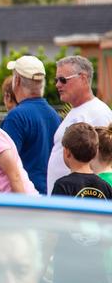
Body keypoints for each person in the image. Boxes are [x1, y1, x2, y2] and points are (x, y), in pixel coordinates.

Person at [46, 55, 112, 195]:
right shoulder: (77, 110)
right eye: (56, 80)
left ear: (83, 78)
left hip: (81, 202)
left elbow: (104, 161)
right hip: (66, 197)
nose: (58, 85)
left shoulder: (98, 112)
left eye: (63, 80)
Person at [0, 55, 62, 194]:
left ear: (17, 80)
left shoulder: (16, 117)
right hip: (50, 193)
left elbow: (5, 164)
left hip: (25, 197)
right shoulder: (54, 115)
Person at [51, 123, 112, 198]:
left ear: (67, 152)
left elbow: (56, 209)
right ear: (95, 152)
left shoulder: (62, 186)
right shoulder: (105, 186)